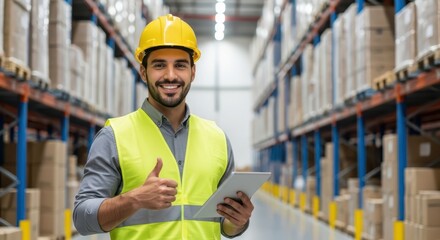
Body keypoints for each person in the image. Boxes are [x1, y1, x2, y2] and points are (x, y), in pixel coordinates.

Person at [73, 14, 254, 239]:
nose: (170, 75)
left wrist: (238, 221)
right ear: (143, 71)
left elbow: (223, 224)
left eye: (180, 65)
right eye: (159, 65)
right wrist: (134, 199)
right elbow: (82, 219)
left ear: (193, 72)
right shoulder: (114, 136)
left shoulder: (217, 138)